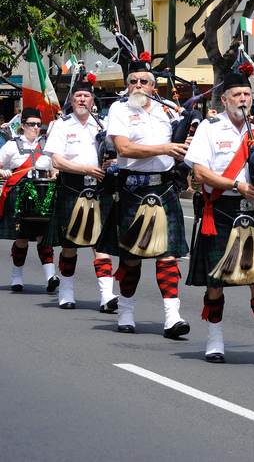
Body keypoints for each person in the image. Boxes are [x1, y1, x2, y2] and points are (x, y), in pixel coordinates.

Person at [183, 71, 254, 366]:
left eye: (247, 94)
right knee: (216, 283)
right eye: (237, 95)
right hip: (220, 210)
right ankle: (215, 340)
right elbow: (200, 174)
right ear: (224, 99)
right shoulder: (209, 128)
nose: (243, 99)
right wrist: (237, 185)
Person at [103, 53, 190, 337]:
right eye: (133, 81)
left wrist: (187, 145)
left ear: (154, 86)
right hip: (133, 187)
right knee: (131, 257)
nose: (138, 85)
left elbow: (181, 144)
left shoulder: (168, 110)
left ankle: (172, 317)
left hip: (164, 186)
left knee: (167, 256)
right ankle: (126, 310)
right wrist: (165, 149)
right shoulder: (119, 110)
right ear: (127, 85)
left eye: (144, 81)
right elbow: (124, 149)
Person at [42, 75, 119, 310]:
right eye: (78, 96)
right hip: (72, 186)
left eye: (86, 96)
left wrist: (111, 162)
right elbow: (56, 160)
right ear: (72, 101)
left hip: (100, 188)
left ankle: (107, 296)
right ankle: (66, 292)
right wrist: (86, 169)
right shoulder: (62, 125)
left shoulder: (105, 125)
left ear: (92, 100)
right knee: (69, 244)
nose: (82, 99)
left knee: (101, 244)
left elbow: (118, 153)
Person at [0, 107, 57, 293]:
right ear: (22, 125)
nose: (35, 128)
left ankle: (51, 276)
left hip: (42, 194)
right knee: (21, 237)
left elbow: (53, 169)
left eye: (39, 125)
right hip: (19, 193)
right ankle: (17, 276)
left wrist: (56, 175)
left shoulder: (48, 146)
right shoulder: (11, 145)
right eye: (31, 124)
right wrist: (3, 171)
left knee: (43, 235)